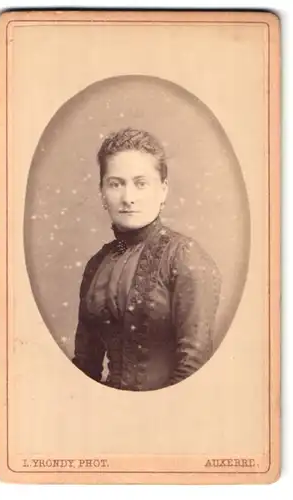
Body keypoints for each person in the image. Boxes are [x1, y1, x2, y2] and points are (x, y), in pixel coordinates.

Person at [72, 127, 221, 391]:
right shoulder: (97, 265)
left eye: (141, 183)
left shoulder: (184, 257)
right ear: (102, 192)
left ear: (163, 190)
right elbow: (85, 366)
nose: (128, 198)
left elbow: (194, 364)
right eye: (116, 184)